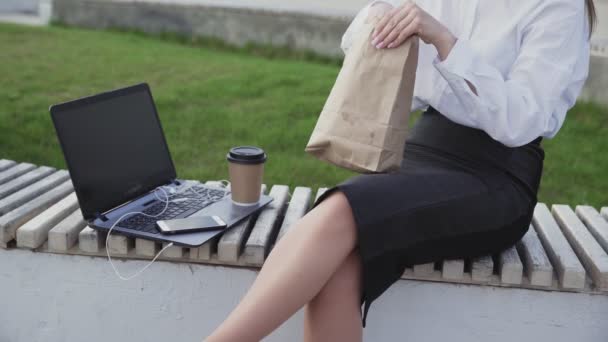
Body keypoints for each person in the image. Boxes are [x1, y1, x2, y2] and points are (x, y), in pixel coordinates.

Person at [206, 0, 594, 340]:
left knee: (341, 210)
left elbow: (524, 119)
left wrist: (445, 41)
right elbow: (362, 42)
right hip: (421, 149)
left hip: (497, 175)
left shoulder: (560, 6)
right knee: (342, 266)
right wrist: (378, 16)